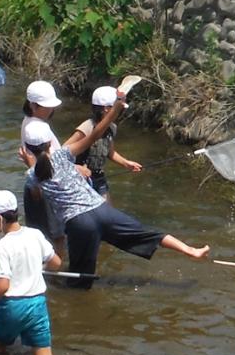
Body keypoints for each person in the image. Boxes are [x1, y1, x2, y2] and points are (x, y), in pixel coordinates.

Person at [22, 112, 209, 289]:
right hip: (102, 209)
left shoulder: (32, 175)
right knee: (148, 233)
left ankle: (78, 309)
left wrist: (30, 164)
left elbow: (38, 195)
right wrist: (117, 108)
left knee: (80, 281)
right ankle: (190, 250)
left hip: (79, 223)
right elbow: (94, 135)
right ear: (49, 143)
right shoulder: (63, 154)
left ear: (27, 149)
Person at [0, 189, 62, 355]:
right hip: (38, 304)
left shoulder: (2, 246)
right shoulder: (35, 234)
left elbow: (3, 285)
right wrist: (39, 267)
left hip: (13, 306)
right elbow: (56, 263)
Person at [74, 85, 142, 197]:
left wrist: (126, 163)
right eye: (119, 108)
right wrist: (76, 168)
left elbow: (110, 152)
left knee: (107, 212)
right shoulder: (86, 127)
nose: (121, 111)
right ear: (106, 109)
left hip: (99, 177)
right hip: (80, 179)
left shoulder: (112, 128)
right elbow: (62, 152)